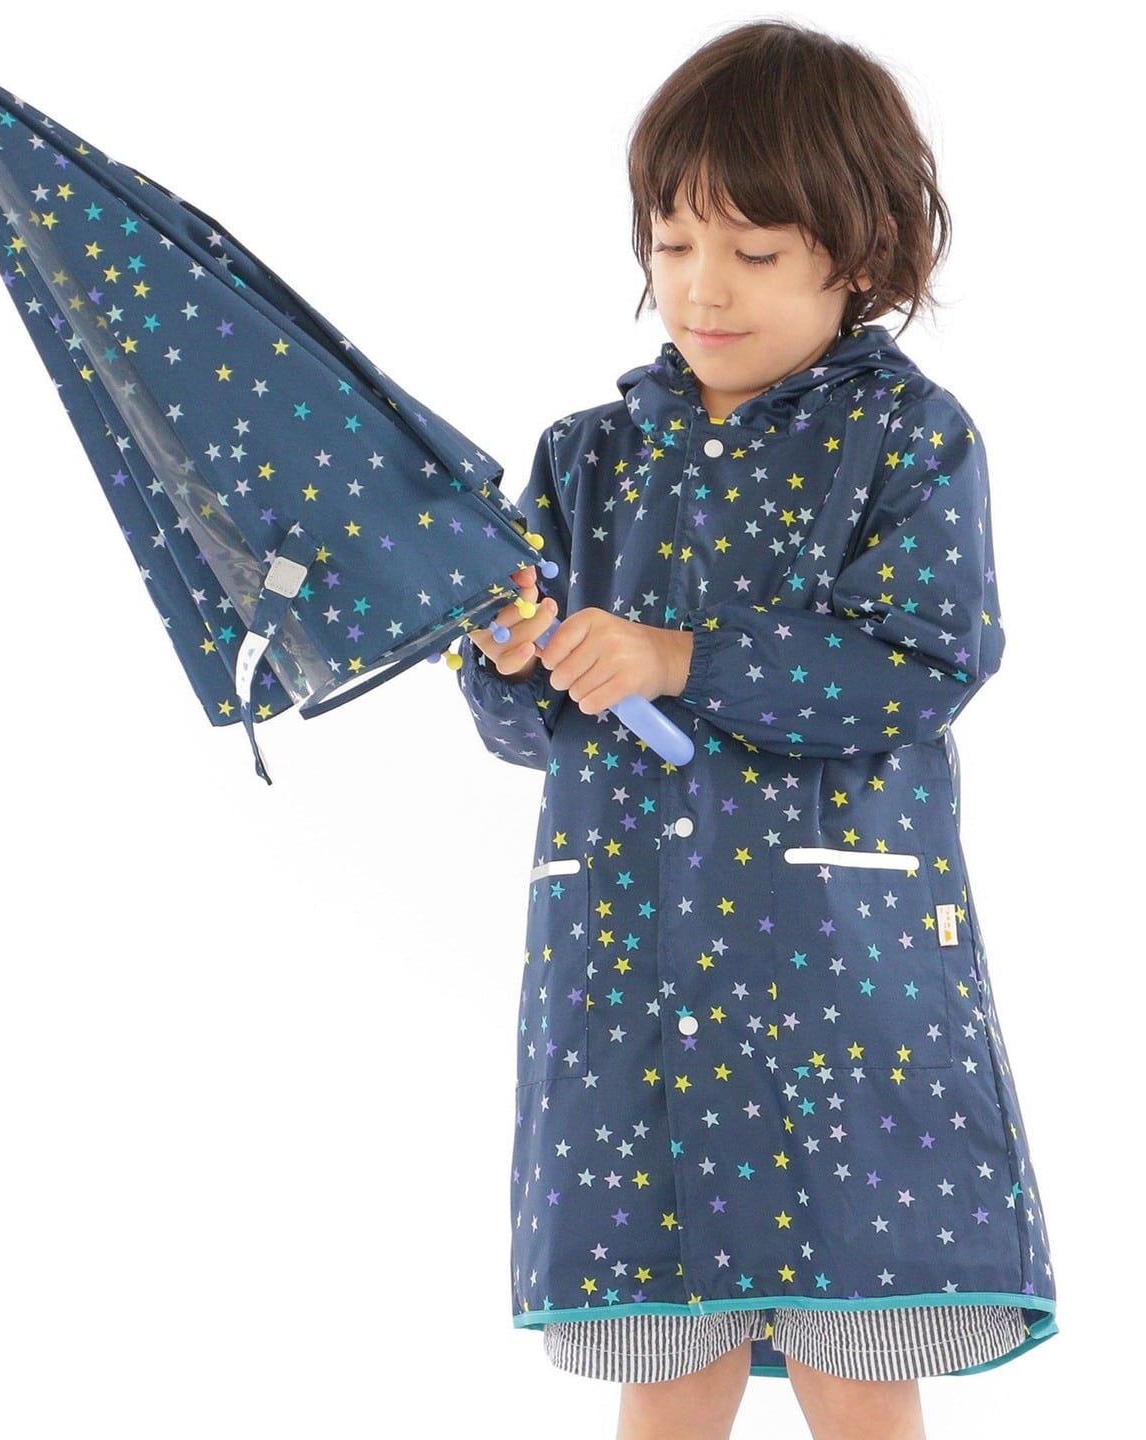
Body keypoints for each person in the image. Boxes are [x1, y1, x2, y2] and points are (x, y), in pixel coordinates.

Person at [458, 20, 1056, 1440]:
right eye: (672, 244)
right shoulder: (586, 459)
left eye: (756, 250)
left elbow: (927, 658)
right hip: (630, 966)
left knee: (860, 1332)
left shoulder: (908, 439)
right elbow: (527, 734)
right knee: (663, 1347)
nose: (702, 287)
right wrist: (514, 659)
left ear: (863, 252)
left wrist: (682, 658)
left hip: (835, 978)